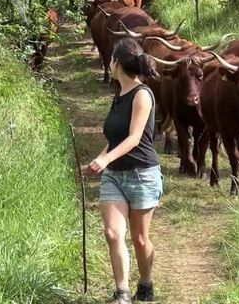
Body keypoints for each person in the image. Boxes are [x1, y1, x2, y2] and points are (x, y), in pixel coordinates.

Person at [84, 38, 164, 304]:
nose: (109, 62)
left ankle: (146, 282)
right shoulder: (117, 94)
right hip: (114, 177)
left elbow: (134, 138)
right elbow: (117, 138)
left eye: (111, 59)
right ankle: (122, 293)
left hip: (142, 174)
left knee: (141, 239)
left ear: (117, 63)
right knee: (113, 233)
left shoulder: (142, 95)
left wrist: (105, 160)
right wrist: (101, 158)